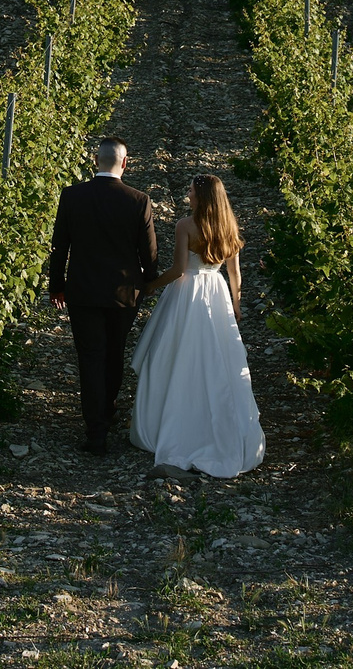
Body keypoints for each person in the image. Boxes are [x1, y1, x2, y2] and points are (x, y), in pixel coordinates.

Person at [129, 173, 264, 478]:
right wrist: (237, 304)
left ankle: (168, 422)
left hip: (187, 294)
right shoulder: (228, 227)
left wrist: (151, 286)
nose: (187, 196)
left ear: (201, 197)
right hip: (216, 294)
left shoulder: (186, 226)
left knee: (173, 355)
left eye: (190, 192)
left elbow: (178, 270)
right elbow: (235, 274)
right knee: (218, 358)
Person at [47, 137, 158, 456]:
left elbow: (60, 246)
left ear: (96, 160)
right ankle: (107, 411)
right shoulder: (139, 200)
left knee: (90, 358)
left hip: (82, 292)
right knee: (114, 352)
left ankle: (96, 431)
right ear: (125, 163)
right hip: (124, 294)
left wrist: (57, 286)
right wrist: (148, 283)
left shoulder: (72, 196)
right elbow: (148, 253)